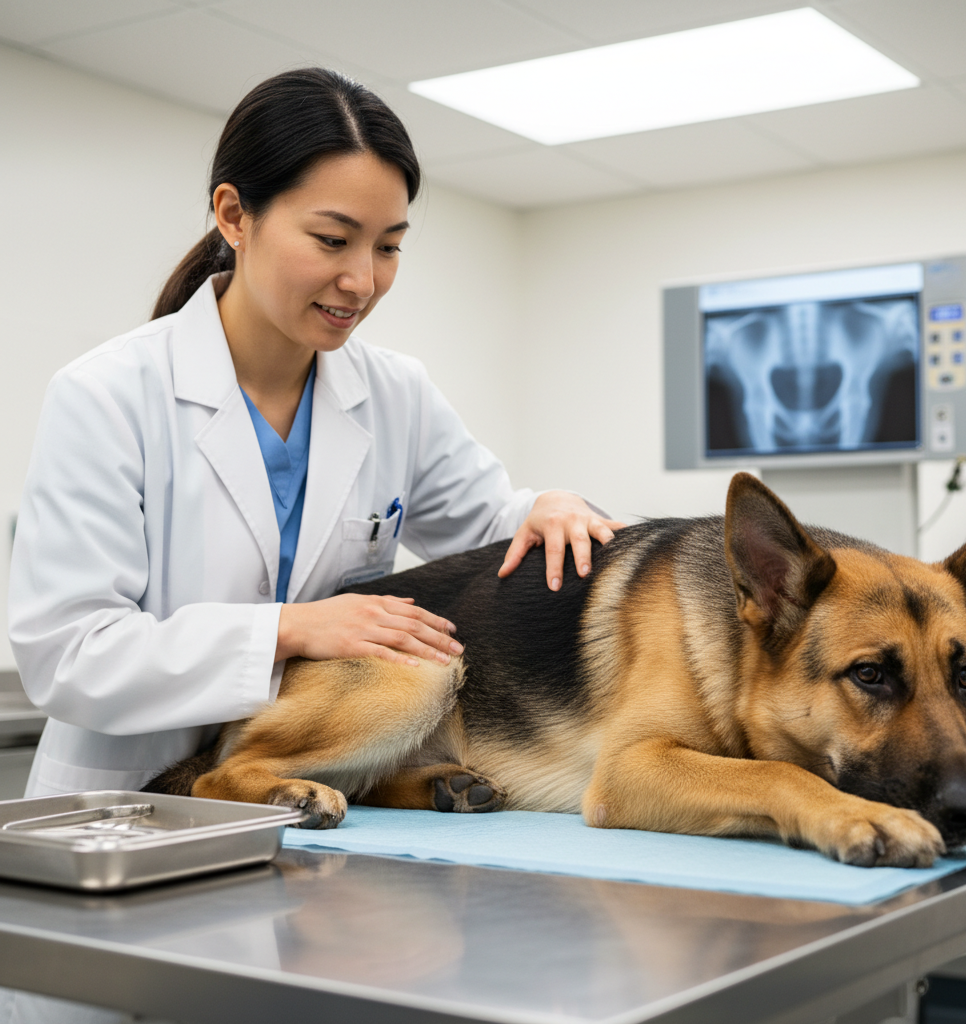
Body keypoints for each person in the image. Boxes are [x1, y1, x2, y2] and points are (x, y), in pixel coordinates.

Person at [2, 69, 620, 1022]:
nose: (361, 280)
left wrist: (551, 505)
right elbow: (67, 654)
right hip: (129, 821)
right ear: (234, 215)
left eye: (388, 247)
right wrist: (290, 630)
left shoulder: (394, 391)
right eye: (332, 240)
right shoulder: (110, 395)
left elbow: (489, 516)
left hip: (314, 830)